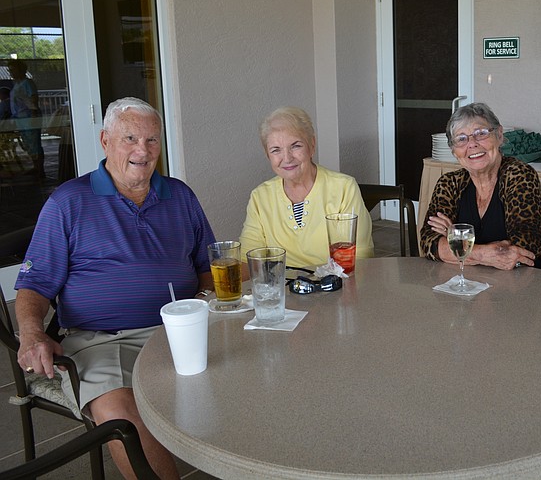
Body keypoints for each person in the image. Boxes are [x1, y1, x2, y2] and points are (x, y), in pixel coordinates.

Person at [15, 97, 216, 479]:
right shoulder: (68, 203)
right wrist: (31, 333)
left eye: (152, 140)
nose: (143, 150)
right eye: (130, 139)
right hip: (102, 339)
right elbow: (35, 283)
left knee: (261, 369)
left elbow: (208, 267)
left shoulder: (180, 195)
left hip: (183, 329)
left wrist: (204, 303)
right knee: (119, 413)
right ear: (105, 140)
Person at [420, 102, 541, 274]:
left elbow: (521, 248)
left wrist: (455, 240)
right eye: (461, 138)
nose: (472, 144)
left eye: (481, 133)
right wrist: (484, 254)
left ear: (499, 135)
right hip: (479, 283)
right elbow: (429, 243)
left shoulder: (519, 175)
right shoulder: (449, 183)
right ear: (454, 151)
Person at [240, 106, 374, 268]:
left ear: (312, 145)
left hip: (335, 286)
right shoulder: (260, 197)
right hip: (282, 289)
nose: (287, 158)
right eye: (276, 150)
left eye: (295, 146)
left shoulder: (343, 188)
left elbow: (359, 256)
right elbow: (249, 260)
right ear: (267, 154)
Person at [7, 59, 44, 177]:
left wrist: (33, 116)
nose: (11, 72)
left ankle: (39, 169)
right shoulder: (16, 84)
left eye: (13, 70)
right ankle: (35, 166)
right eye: (10, 70)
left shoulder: (27, 83)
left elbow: (33, 99)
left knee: (34, 144)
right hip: (20, 119)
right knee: (28, 144)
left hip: (29, 117)